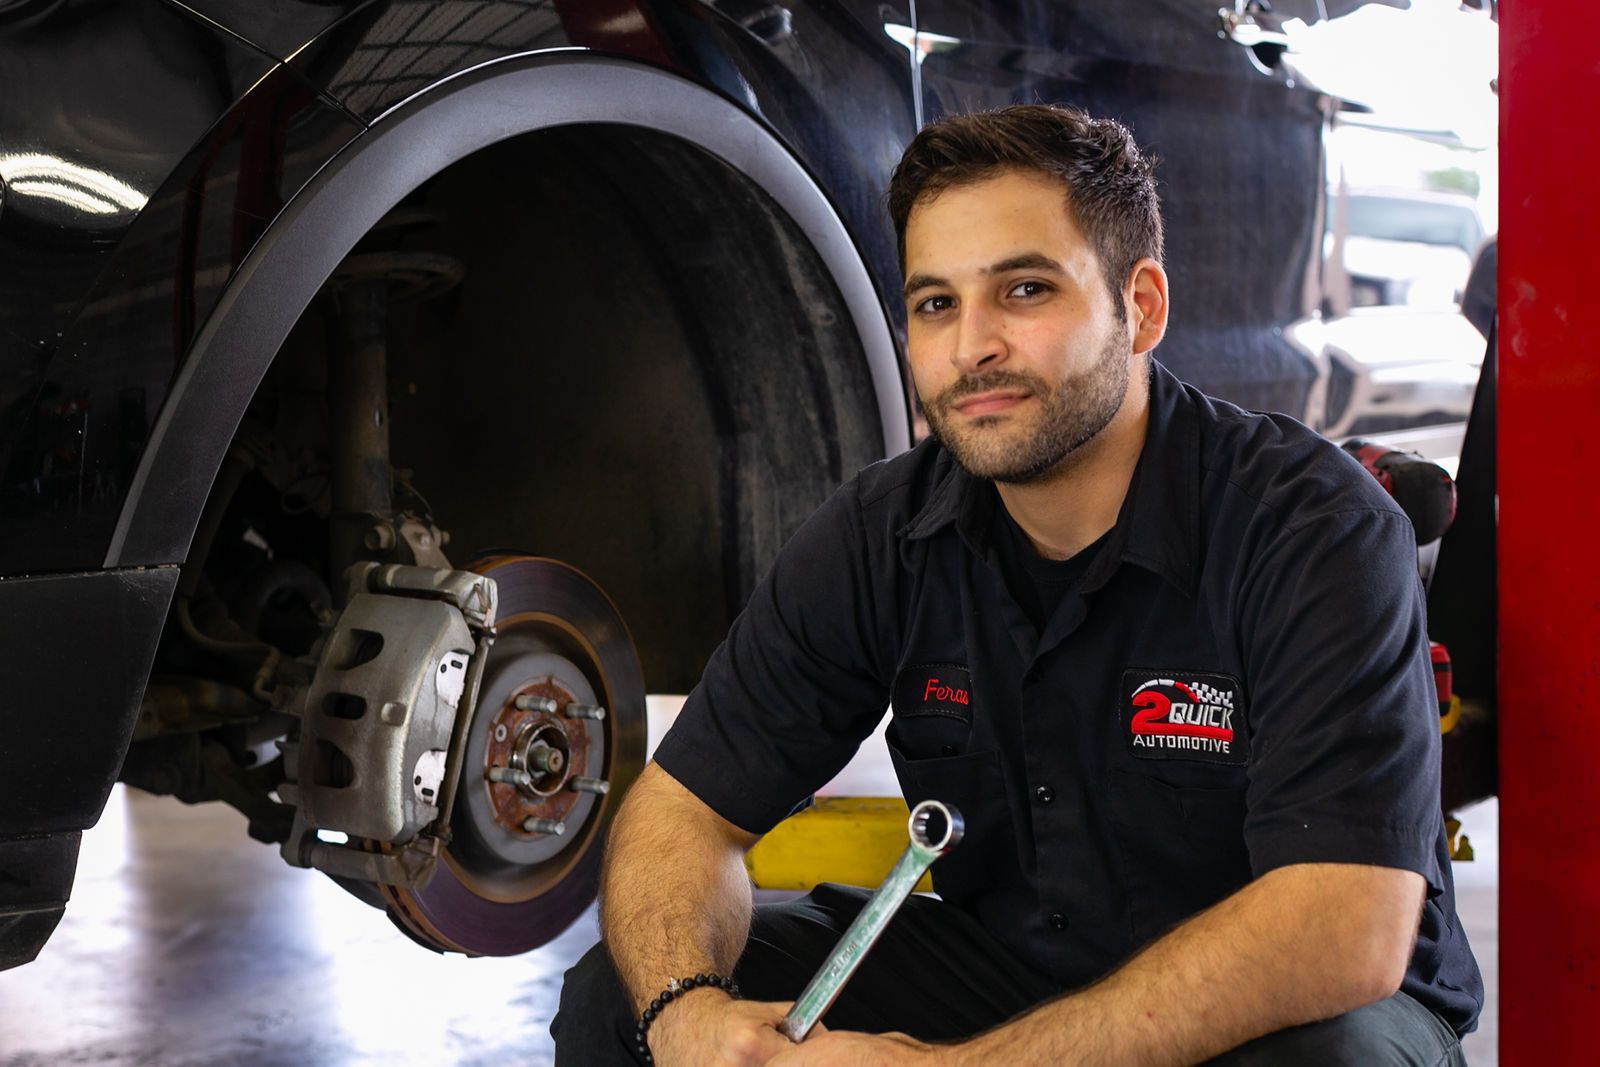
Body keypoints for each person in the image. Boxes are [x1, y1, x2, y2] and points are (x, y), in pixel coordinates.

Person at [552, 104, 1482, 1066]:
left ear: (1144, 307)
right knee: (614, 999)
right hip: (1012, 969)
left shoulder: (1312, 529)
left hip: (1280, 1004)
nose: (971, 347)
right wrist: (687, 1015)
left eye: (1025, 290)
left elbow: (1342, 927)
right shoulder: (884, 533)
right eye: (936, 304)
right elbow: (682, 811)